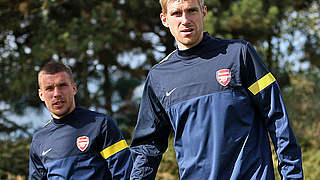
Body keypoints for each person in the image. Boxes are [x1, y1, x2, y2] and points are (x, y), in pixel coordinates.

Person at [130, 0, 303, 179]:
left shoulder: (240, 54)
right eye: (176, 13)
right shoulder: (159, 77)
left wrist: (292, 176)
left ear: (204, 12)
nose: (185, 20)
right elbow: (147, 147)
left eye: (192, 11)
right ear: (164, 19)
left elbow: (277, 117)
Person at [29, 62, 132, 179]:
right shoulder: (39, 140)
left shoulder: (101, 124)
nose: (57, 94)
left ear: (74, 88)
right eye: (49, 88)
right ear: (41, 94)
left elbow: (125, 174)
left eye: (62, 85)